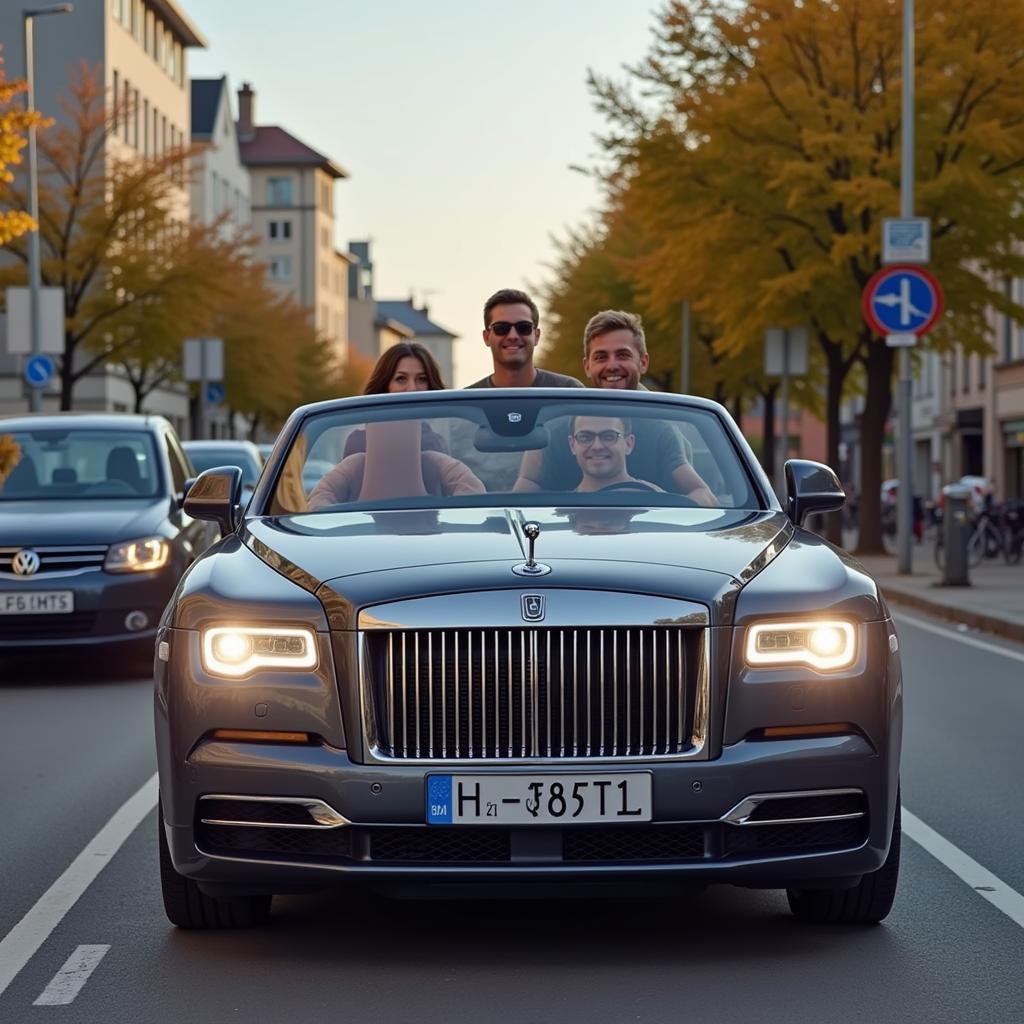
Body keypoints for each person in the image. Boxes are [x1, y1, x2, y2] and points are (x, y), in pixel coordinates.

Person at [513, 310, 718, 505]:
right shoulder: (554, 428)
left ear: (643, 362)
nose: (611, 365)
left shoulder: (661, 429)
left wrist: (660, 499)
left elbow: (702, 495)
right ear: (587, 366)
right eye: (601, 357)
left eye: (622, 355)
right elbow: (524, 491)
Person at [309, 419, 484, 509]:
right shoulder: (355, 465)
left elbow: (474, 499)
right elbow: (319, 502)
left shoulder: (436, 461)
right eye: (401, 379)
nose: (411, 388)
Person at [343, 344, 449, 458]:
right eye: (401, 379)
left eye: (422, 379)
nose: (412, 388)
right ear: (385, 386)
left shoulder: (436, 443)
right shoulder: (360, 442)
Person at [467, 288, 585, 388]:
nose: (513, 336)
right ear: (486, 337)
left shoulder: (569, 392)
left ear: (537, 335)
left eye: (523, 327)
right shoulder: (466, 403)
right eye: (501, 328)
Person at [568, 415, 660, 493]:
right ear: (572, 445)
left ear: (628, 444)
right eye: (585, 437)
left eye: (608, 437)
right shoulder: (560, 506)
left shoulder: (658, 502)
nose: (597, 446)